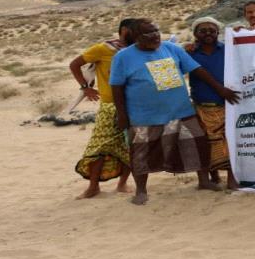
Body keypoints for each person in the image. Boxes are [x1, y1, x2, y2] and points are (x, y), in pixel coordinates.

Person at [110, 18, 240, 205]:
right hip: (144, 116)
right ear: (136, 36)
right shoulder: (123, 57)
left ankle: (203, 181)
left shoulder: (171, 48)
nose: (155, 36)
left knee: (197, 145)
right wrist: (122, 115)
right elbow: (116, 87)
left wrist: (220, 89)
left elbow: (197, 70)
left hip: (181, 111)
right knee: (141, 153)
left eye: (156, 31)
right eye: (148, 33)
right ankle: (141, 191)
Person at [69, 18, 135, 199]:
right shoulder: (103, 49)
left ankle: (122, 184)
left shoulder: (139, 49)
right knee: (99, 147)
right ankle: (93, 187)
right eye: (135, 30)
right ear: (124, 30)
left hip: (134, 104)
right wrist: (86, 88)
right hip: (109, 105)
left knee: (131, 146)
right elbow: (75, 64)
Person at [186, 16, 238, 191]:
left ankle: (231, 180)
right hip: (201, 105)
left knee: (229, 142)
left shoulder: (228, 49)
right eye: (203, 31)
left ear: (218, 32)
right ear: (195, 34)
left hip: (228, 104)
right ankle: (205, 180)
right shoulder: (189, 53)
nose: (208, 33)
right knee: (203, 143)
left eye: (212, 30)